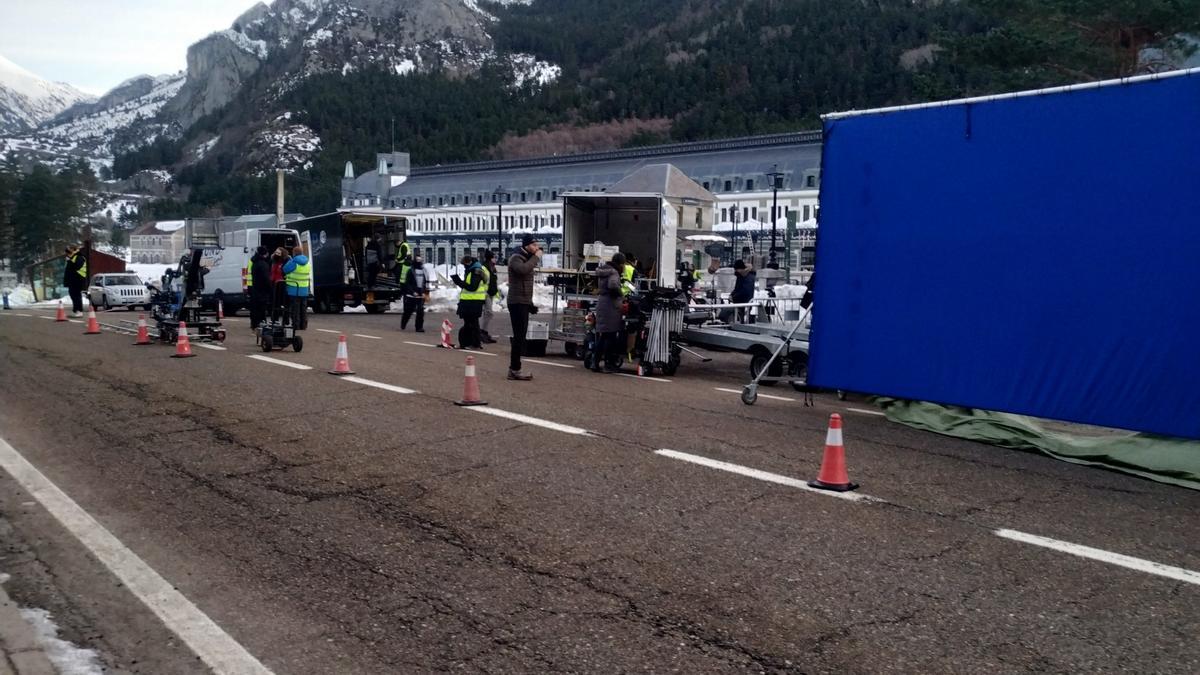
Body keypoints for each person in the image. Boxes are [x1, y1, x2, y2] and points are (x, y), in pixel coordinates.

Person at [506, 234, 541, 381]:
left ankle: (515, 368)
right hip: (516, 302)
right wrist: (536, 258)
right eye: (534, 245)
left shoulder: (526, 257)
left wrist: (530, 304)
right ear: (527, 245)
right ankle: (514, 369)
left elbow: (525, 283)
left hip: (523, 301)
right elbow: (523, 270)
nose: (537, 248)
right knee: (519, 336)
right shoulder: (516, 257)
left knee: (521, 336)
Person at [592, 253, 626, 373]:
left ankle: (594, 362)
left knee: (603, 335)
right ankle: (608, 364)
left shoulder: (604, 270)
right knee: (610, 336)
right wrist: (621, 294)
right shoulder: (614, 272)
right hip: (611, 306)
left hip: (602, 303)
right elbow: (613, 286)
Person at [451, 255, 487, 349]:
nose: (463, 267)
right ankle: (468, 343)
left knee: (473, 324)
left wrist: (458, 281)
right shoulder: (472, 270)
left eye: (464, 265)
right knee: (469, 323)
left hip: (473, 302)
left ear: (468, 263)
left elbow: (472, 287)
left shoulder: (475, 271)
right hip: (470, 301)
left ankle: (475, 343)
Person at [282, 245, 310, 330]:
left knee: (295, 309)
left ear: (294, 253)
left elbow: (284, 269)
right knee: (303, 309)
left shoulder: (294, 262)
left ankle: (296, 325)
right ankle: (303, 325)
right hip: (304, 289)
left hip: (294, 289)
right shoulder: (307, 262)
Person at [399, 253, 429, 332]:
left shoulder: (424, 271)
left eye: (420, 260)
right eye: (417, 260)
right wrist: (412, 292)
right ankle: (403, 323)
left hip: (420, 294)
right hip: (411, 295)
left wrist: (425, 292)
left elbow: (425, 282)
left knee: (420, 311)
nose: (419, 261)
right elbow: (407, 283)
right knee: (408, 311)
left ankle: (419, 327)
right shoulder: (411, 271)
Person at [479, 250, 501, 344]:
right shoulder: (484, 268)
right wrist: (484, 293)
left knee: (487, 314)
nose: (495, 259)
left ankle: (484, 332)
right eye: (494, 257)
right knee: (488, 313)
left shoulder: (493, 268)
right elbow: (483, 281)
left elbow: (494, 281)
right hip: (485, 293)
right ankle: (482, 333)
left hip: (491, 293)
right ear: (490, 258)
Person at [249, 246, 271, 330]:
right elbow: (266, 278)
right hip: (262, 290)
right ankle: (261, 324)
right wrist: (270, 288)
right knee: (261, 309)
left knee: (255, 308)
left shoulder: (254, 262)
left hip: (255, 288)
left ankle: (254, 324)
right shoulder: (263, 264)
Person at [62, 245, 87, 316]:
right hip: (73, 280)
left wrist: (69, 261)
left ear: (73, 251)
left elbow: (76, 267)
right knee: (73, 295)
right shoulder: (73, 258)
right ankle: (75, 310)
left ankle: (79, 310)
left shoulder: (79, 257)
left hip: (77, 280)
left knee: (76, 295)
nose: (67, 254)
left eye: (68, 252)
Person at [730, 258, 757, 324]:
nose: (736, 271)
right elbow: (737, 288)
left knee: (744, 317)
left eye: (736, 269)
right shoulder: (741, 275)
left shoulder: (748, 276)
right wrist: (732, 294)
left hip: (745, 301)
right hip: (741, 300)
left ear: (740, 268)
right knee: (740, 317)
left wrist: (734, 296)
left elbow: (745, 290)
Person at [270, 247, 289, 324]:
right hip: (275, 283)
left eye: (278, 253)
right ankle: (275, 319)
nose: (277, 254)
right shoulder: (274, 260)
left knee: (284, 303)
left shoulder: (287, 260)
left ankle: (285, 320)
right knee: (275, 303)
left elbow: (284, 271)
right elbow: (272, 272)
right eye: (276, 253)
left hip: (283, 283)